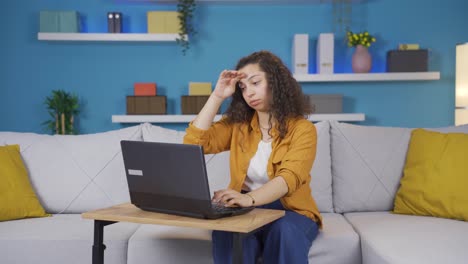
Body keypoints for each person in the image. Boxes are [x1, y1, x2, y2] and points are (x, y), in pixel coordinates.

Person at [183, 50, 322, 264]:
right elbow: (194, 144)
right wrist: (217, 95)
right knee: (227, 232)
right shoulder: (238, 125)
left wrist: (249, 198)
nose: (249, 93)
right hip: (246, 208)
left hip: (290, 210)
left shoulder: (303, 129)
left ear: (275, 83)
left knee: (283, 231)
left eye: (255, 83)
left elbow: (289, 178)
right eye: (243, 87)